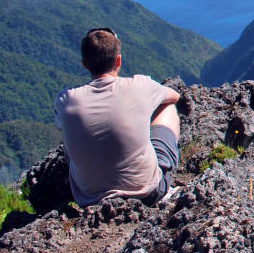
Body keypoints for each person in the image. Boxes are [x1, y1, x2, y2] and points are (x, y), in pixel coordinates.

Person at [54, 27, 180, 207]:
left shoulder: (65, 99)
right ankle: (164, 180)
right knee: (167, 107)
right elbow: (174, 96)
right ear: (118, 60)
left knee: (73, 128)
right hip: (147, 193)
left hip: (90, 200)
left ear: (84, 64)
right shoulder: (141, 86)